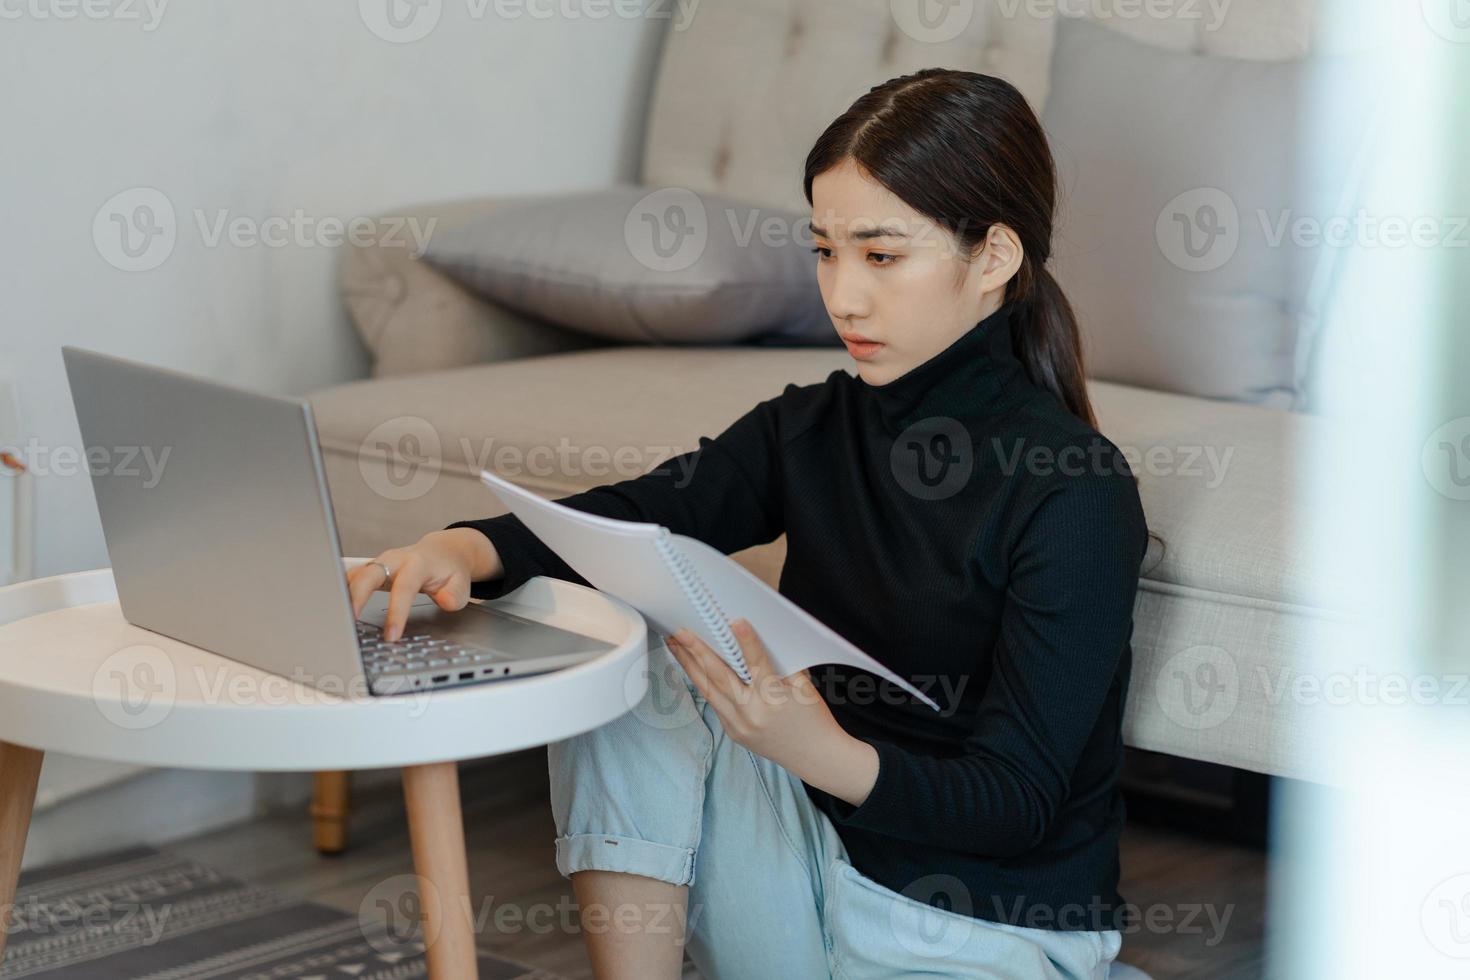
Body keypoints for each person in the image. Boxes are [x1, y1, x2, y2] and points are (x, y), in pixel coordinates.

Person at [346, 68, 1155, 980]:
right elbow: (640, 516)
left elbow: (1019, 801)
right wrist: (465, 545)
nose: (842, 297)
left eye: (881, 256)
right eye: (825, 250)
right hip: (810, 868)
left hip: (988, 930)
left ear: (995, 258)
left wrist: (821, 752)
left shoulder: (1074, 492)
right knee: (629, 636)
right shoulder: (809, 427)